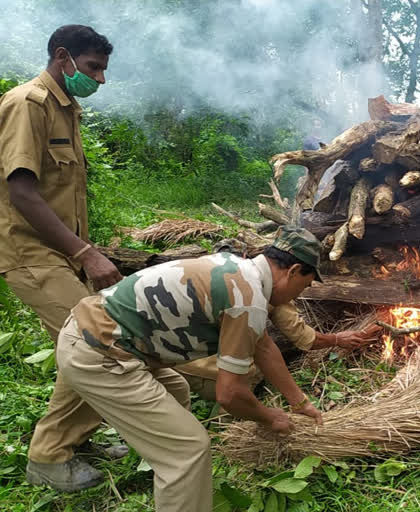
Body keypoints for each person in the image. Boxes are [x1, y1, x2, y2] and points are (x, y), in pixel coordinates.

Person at [39, 227, 326, 511]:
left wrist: (298, 402)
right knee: (188, 450)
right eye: (307, 283)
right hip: (99, 353)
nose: (301, 294)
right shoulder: (247, 299)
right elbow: (231, 395)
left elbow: (263, 347)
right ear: (293, 270)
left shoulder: (239, 269)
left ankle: (166, 469)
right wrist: (270, 418)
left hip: (89, 332)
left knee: (175, 389)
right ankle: (176, 471)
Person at [0, 25, 127, 491]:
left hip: (59, 255)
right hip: (28, 253)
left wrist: (83, 251)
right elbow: (22, 191)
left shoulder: (65, 109)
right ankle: (49, 457)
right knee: (94, 343)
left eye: (102, 70)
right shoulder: (26, 104)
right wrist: (85, 254)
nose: (99, 79)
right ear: (63, 57)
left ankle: (76, 440)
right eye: (93, 67)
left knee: (85, 344)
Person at [176, 301, 379, 402]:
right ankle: (228, 426)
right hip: (186, 360)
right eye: (306, 282)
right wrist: (336, 339)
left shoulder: (261, 280)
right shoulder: (255, 290)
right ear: (293, 271)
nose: (308, 288)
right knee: (248, 372)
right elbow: (299, 338)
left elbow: (280, 338)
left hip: (164, 352)